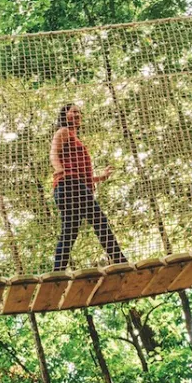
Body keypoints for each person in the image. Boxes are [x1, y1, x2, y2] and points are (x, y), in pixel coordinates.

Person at [50, 103, 128, 272]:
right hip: (69, 184)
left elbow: (82, 176)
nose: (77, 114)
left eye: (79, 112)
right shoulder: (63, 132)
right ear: (65, 115)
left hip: (72, 186)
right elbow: (53, 153)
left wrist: (100, 177)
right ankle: (120, 261)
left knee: (70, 231)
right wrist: (59, 170)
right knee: (99, 220)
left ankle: (57, 271)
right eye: (74, 111)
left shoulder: (74, 137)